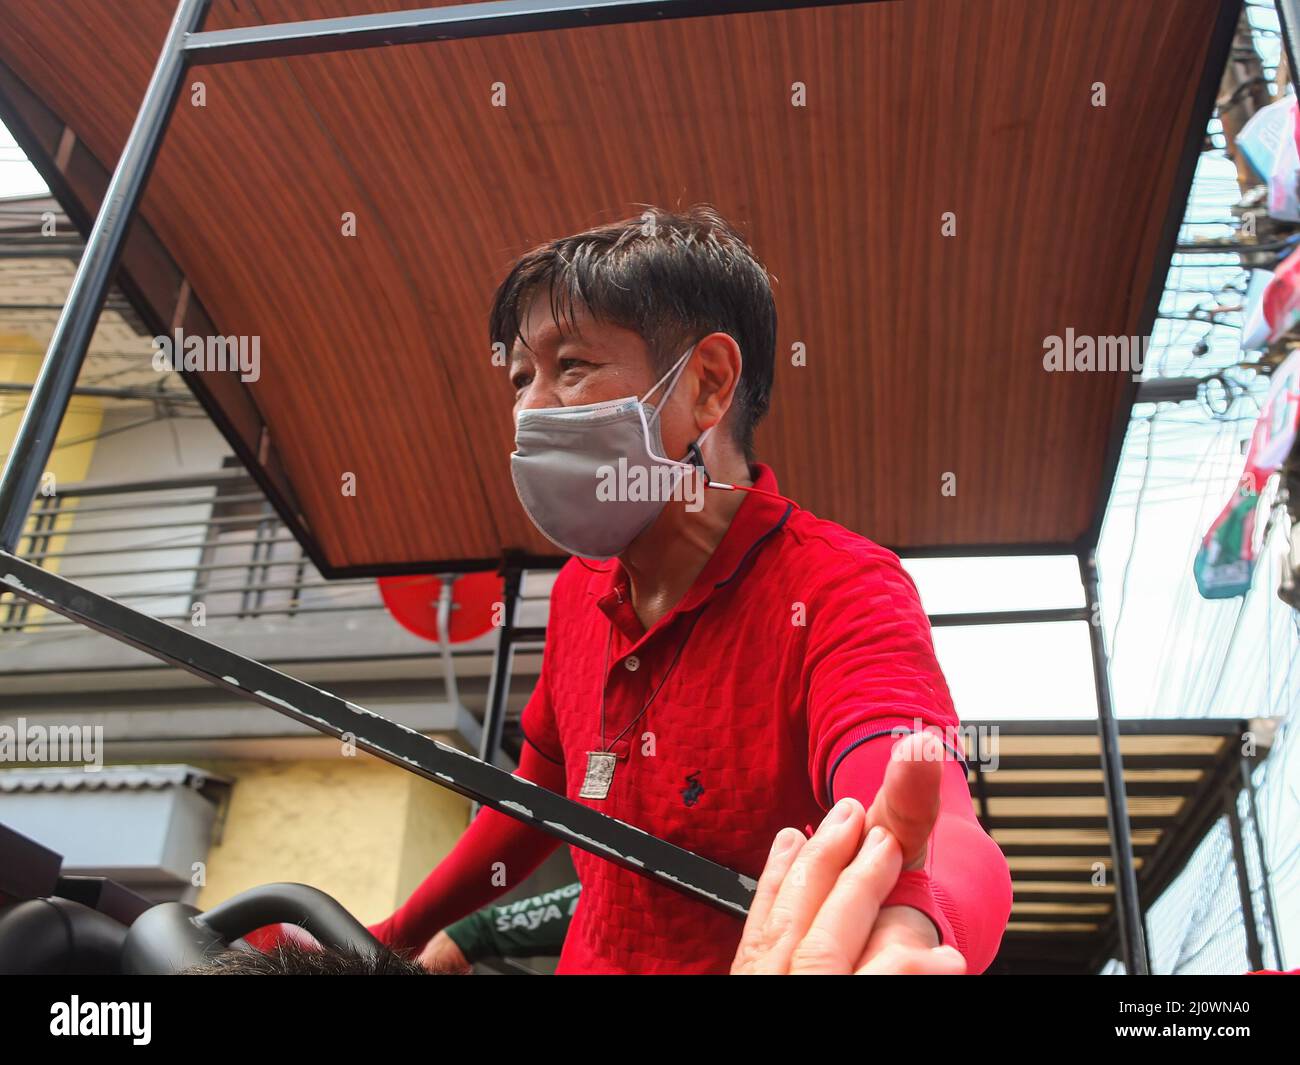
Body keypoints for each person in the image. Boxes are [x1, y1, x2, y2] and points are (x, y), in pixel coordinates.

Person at [364, 205, 1012, 974]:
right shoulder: (580, 591)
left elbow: (926, 807)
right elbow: (535, 799)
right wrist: (387, 936)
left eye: (571, 366)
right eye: (519, 376)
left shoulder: (838, 585)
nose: (529, 409)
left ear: (707, 385)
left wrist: (910, 917)